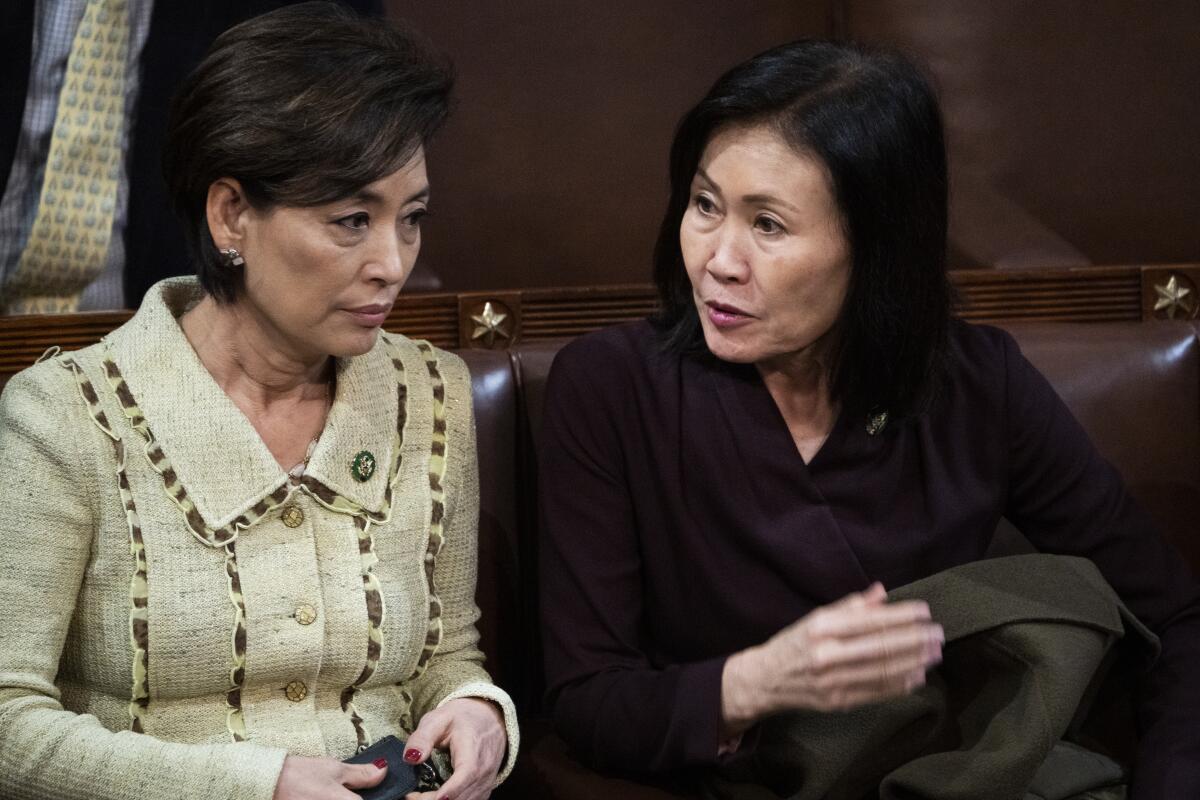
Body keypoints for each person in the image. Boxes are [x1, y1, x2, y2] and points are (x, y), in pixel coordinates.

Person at [538, 40, 1200, 798]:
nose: (718, 259)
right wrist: (753, 683)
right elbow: (587, 702)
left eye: (769, 225)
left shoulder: (977, 384)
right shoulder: (611, 387)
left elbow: (1175, 620)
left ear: (877, 245)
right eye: (705, 205)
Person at [0, 4, 517, 800]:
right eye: (351, 220)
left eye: (411, 219)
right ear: (231, 214)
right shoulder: (65, 416)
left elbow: (446, 656)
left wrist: (476, 709)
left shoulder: (431, 392)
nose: (392, 263)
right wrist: (253, 785)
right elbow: (8, 725)